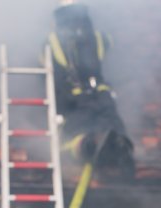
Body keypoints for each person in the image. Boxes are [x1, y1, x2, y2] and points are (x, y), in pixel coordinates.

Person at [48, 1, 135, 180]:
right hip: (90, 98)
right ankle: (92, 146)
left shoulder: (52, 42)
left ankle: (105, 149)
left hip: (83, 99)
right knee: (87, 135)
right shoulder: (98, 38)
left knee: (111, 135)